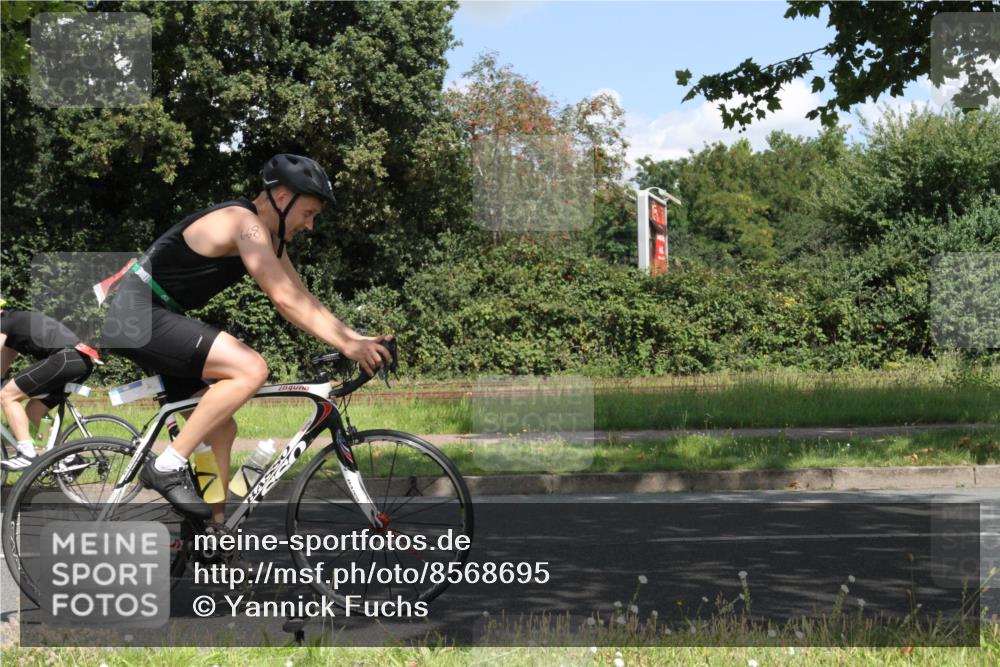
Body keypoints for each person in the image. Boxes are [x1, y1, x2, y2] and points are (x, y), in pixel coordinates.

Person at [101, 154, 393, 522]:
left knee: (222, 429)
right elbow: (283, 299)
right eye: (308, 213)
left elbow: (302, 296)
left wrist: (358, 339)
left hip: (154, 314)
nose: (310, 225)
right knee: (250, 368)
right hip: (136, 313)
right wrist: (349, 346)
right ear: (283, 198)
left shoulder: (266, 236)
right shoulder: (245, 223)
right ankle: (166, 466)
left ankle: (213, 529)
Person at [1, 298, 101, 469]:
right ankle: (70, 458)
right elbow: (3, 361)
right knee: (34, 410)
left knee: (6, 396)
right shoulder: (12, 324)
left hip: (65, 358)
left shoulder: (3, 323)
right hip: (78, 361)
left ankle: (26, 453)